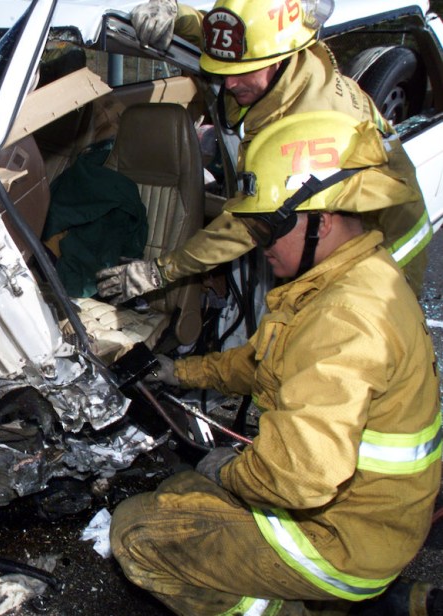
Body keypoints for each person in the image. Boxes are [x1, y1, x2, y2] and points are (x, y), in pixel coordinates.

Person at [110, 111, 442, 616]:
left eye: (266, 229)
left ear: (322, 221)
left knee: (138, 532)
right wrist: (180, 373)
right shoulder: (350, 276)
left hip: (342, 540)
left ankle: (302, 605)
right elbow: (264, 364)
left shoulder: (346, 318)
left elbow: (299, 477)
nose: (257, 245)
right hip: (372, 514)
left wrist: (232, 473)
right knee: (181, 490)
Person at [96, 0, 431, 301]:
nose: (228, 84)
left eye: (241, 74)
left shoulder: (309, 121)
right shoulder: (277, 54)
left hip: (386, 244)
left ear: (279, 59)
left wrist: (160, 271)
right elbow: (226, 41)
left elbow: (249, 223)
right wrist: (175, 12)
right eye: (224, 73)